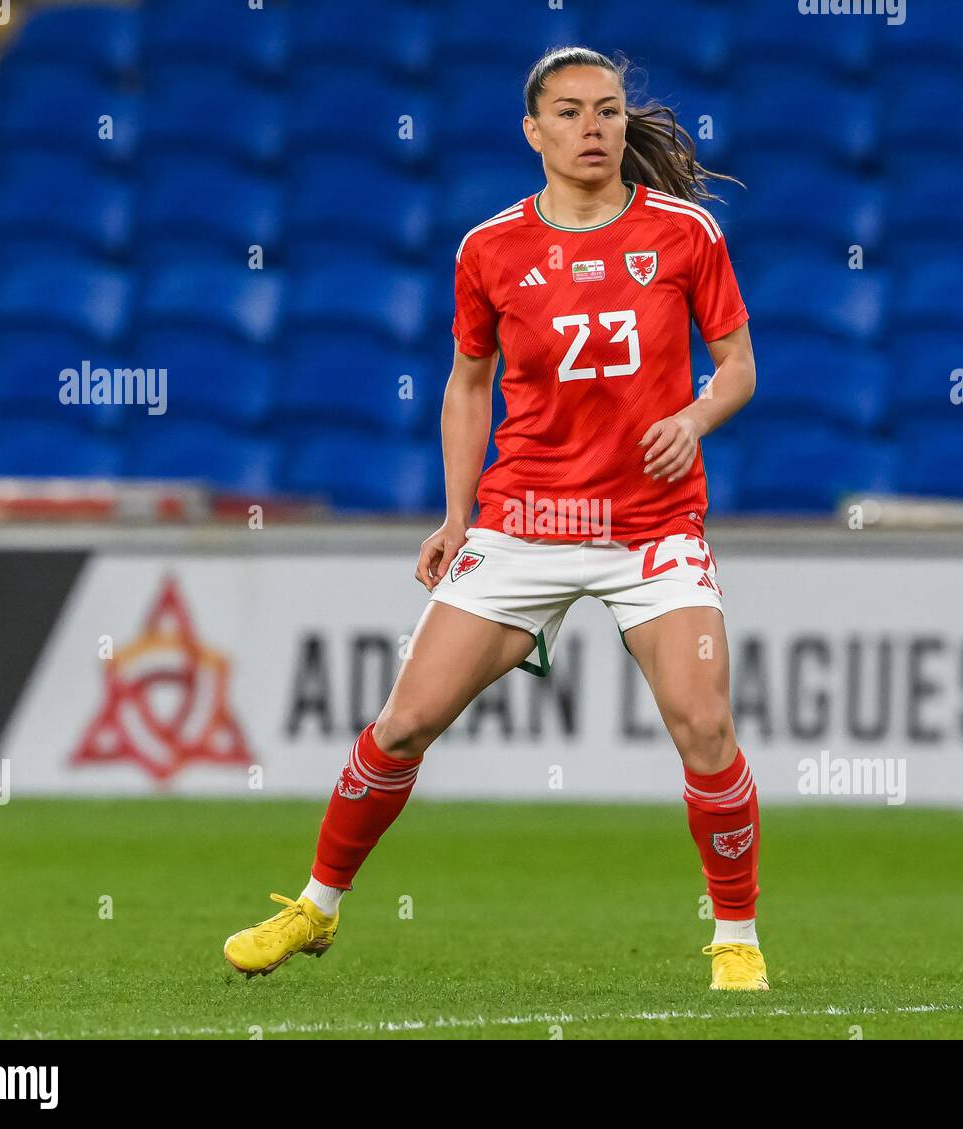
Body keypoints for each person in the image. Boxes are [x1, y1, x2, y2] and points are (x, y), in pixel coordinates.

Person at [224, 46, 764, 990]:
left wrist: (695, 413)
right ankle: (316, 907)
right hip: (523, 523)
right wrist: (455, 514)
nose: (592, 128)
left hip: (650, 531)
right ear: (534, 130)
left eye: (606, 110)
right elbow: (468, 385)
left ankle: (736, 939)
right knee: (402, 724)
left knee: (703, 725)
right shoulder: (489, 249)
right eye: (568, 112)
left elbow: (740, 366)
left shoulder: (685, 235)